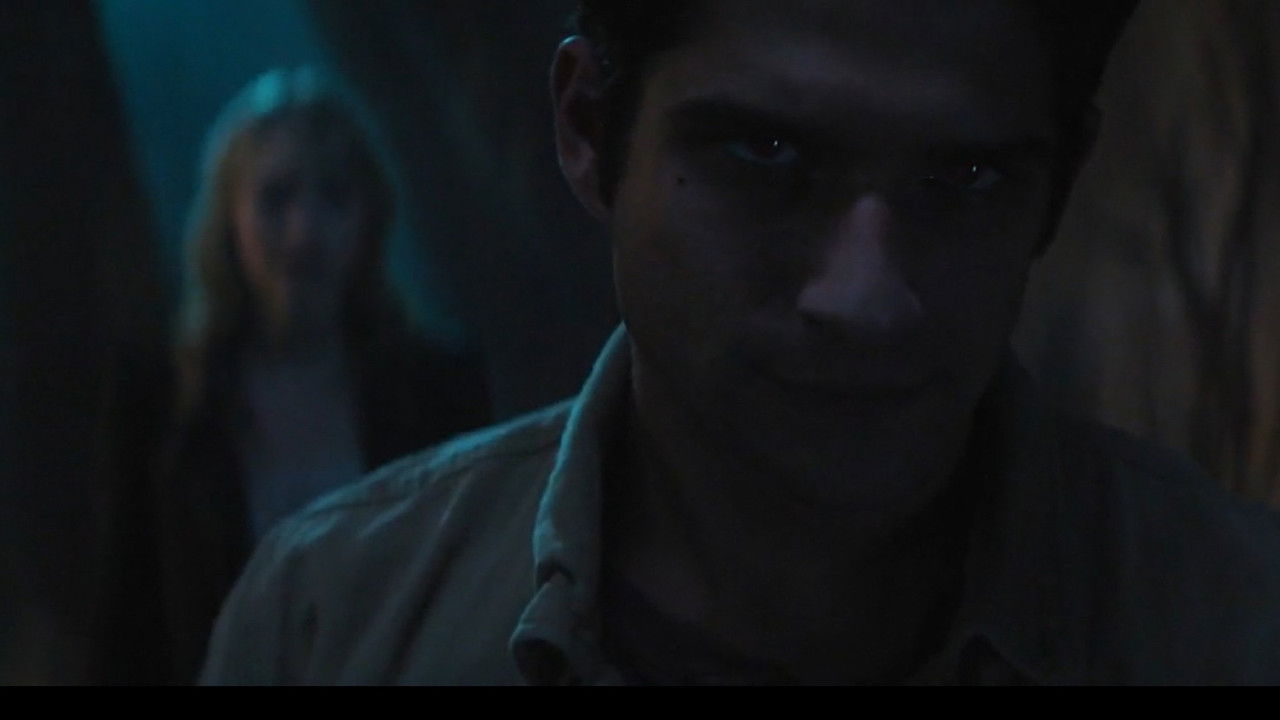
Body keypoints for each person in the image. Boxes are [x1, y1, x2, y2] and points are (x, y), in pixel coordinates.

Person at [202, 3, 1280, 684]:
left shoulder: (1237, 623)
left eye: (967, 176)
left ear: (1059, 184)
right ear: (589, 129)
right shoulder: (330, 623)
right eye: (765, 153)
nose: (865, 298)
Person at [98, 67, 491, 684]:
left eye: (334, 196)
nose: (305, 232)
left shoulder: (438, 389)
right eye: (276, 198)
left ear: (369, 216)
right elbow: (129, 627)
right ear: (228, 218)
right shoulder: (166, 404)